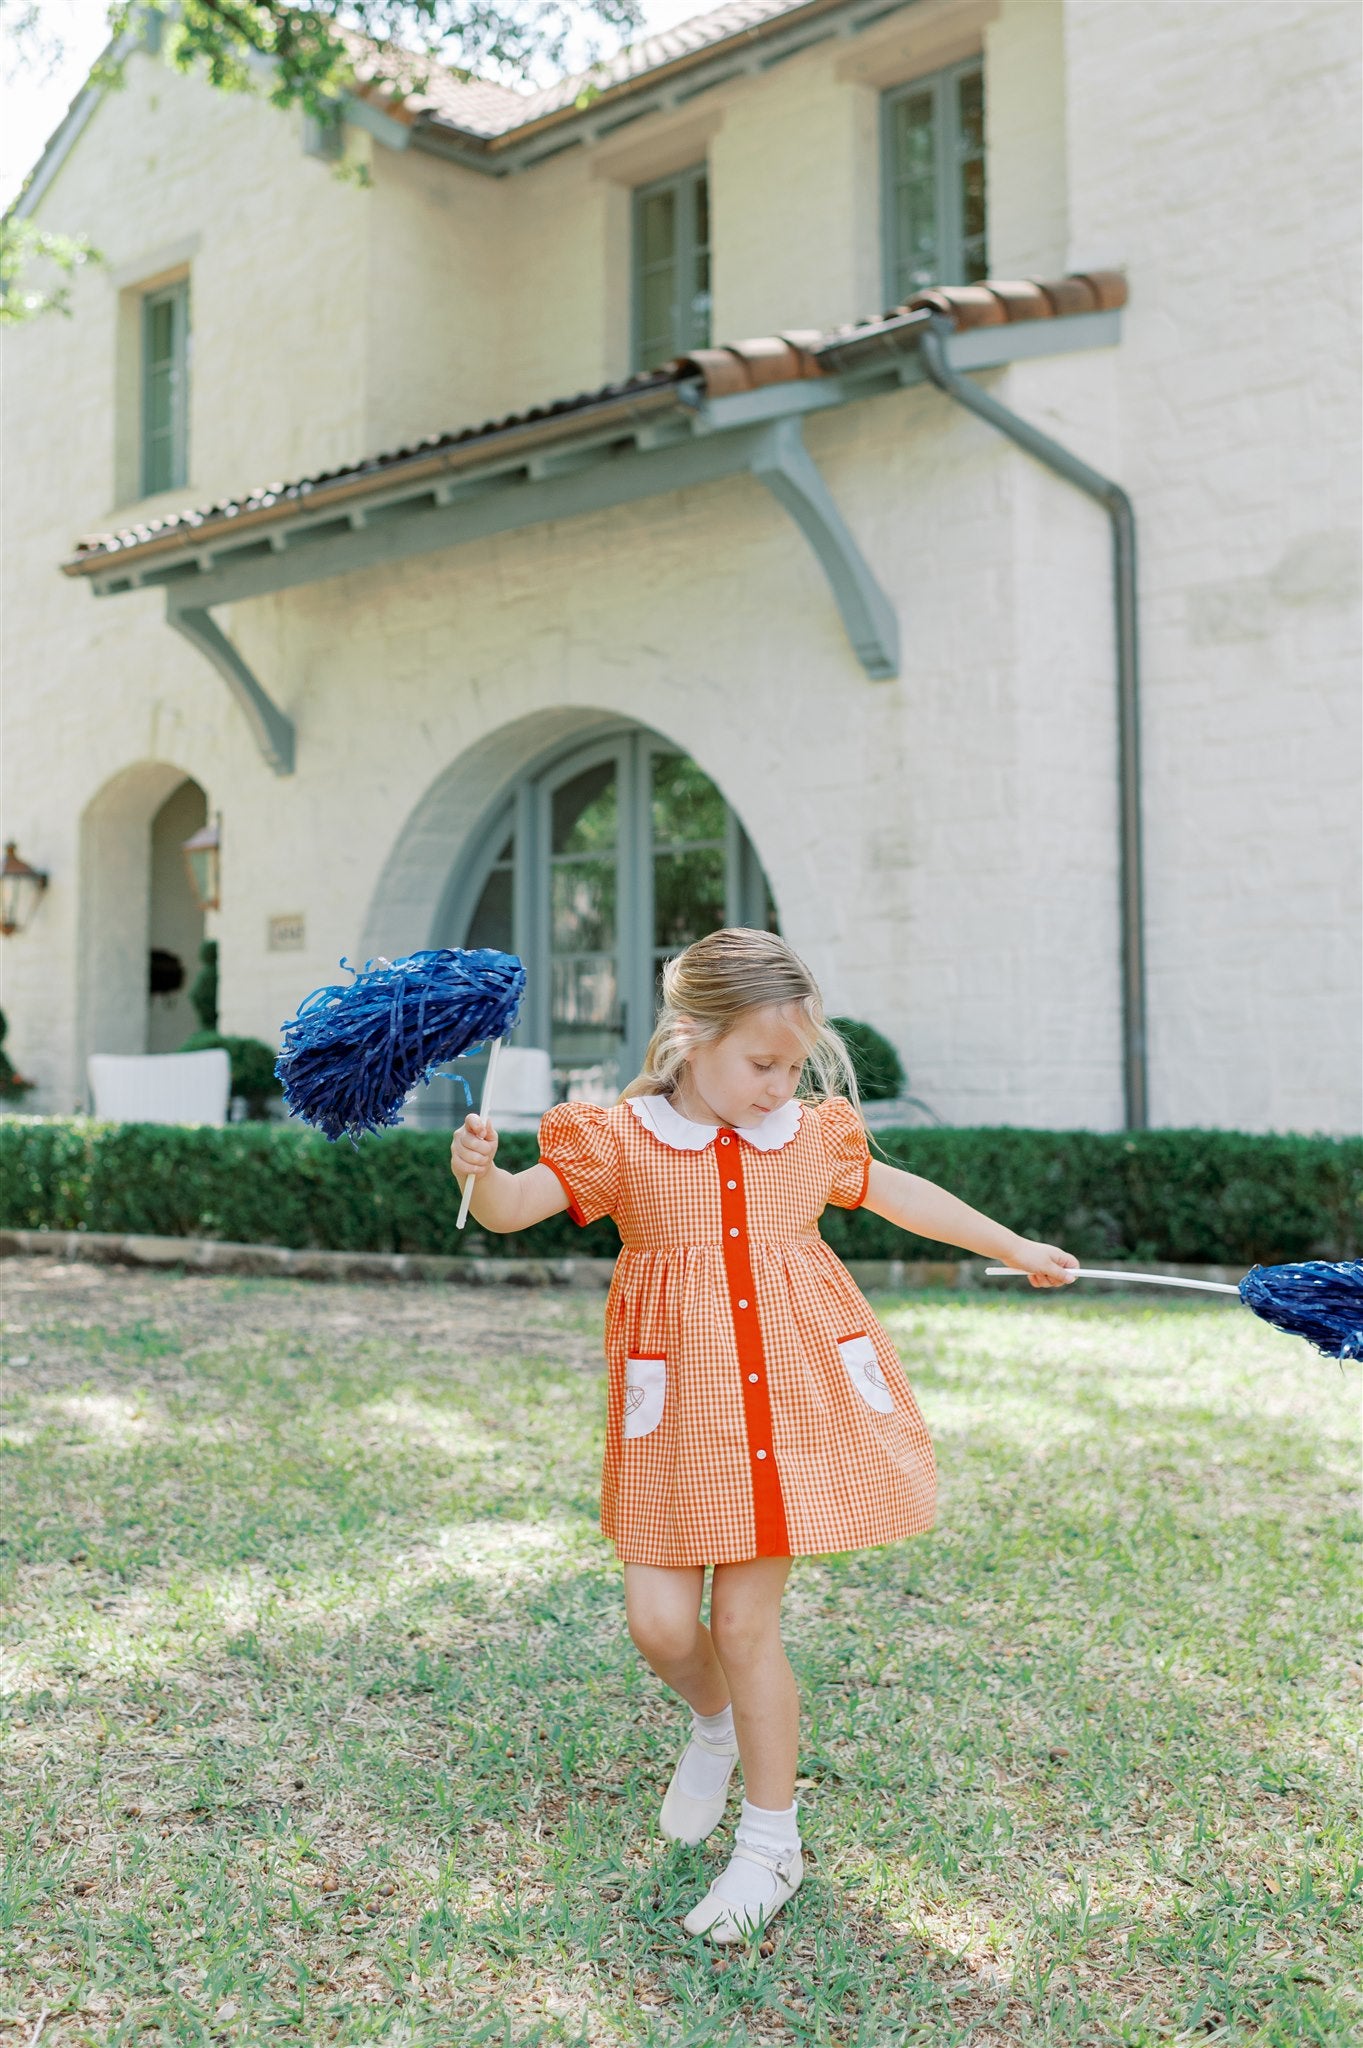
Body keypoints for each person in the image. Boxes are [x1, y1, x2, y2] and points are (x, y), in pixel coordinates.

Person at [450, 927, 1077, 1944]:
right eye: (761, 1062)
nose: (780, 1083)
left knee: (745, 1623)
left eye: (792, 1064)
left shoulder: (807, 1135)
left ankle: (770, 1841)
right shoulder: (618, 1138)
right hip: (676, 1415)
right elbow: (516, 1205)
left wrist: (1011, 1245)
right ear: (689, 1038)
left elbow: (895, 1191)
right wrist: (477, 1171)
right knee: (659, 1623)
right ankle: (715, 1725)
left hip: (785, 1404)